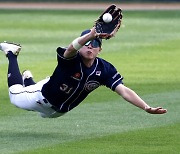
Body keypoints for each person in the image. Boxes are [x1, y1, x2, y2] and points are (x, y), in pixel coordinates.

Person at [0, 8, 167, 118]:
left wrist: (146, 107)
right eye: (86, 44)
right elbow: (71, 49)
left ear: (99, 50)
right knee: (15, 96)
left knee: (43, 115)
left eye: (95, 44)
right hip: (41, 97)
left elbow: (124, 91)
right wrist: (91, 35)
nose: (90, 46)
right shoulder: (71, 59)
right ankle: (12, 53)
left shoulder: (104, 69)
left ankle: (29, 80)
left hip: (57, 112)